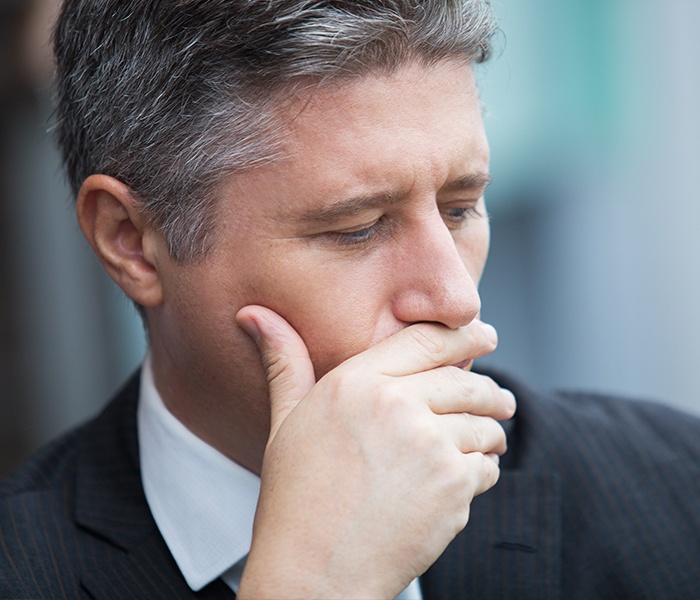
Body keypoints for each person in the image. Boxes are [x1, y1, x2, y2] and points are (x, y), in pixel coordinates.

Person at [1, 1, 698, 598]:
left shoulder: (673, 492)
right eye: (358, 229)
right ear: (130, 241)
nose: (456, 299)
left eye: (461, 209)